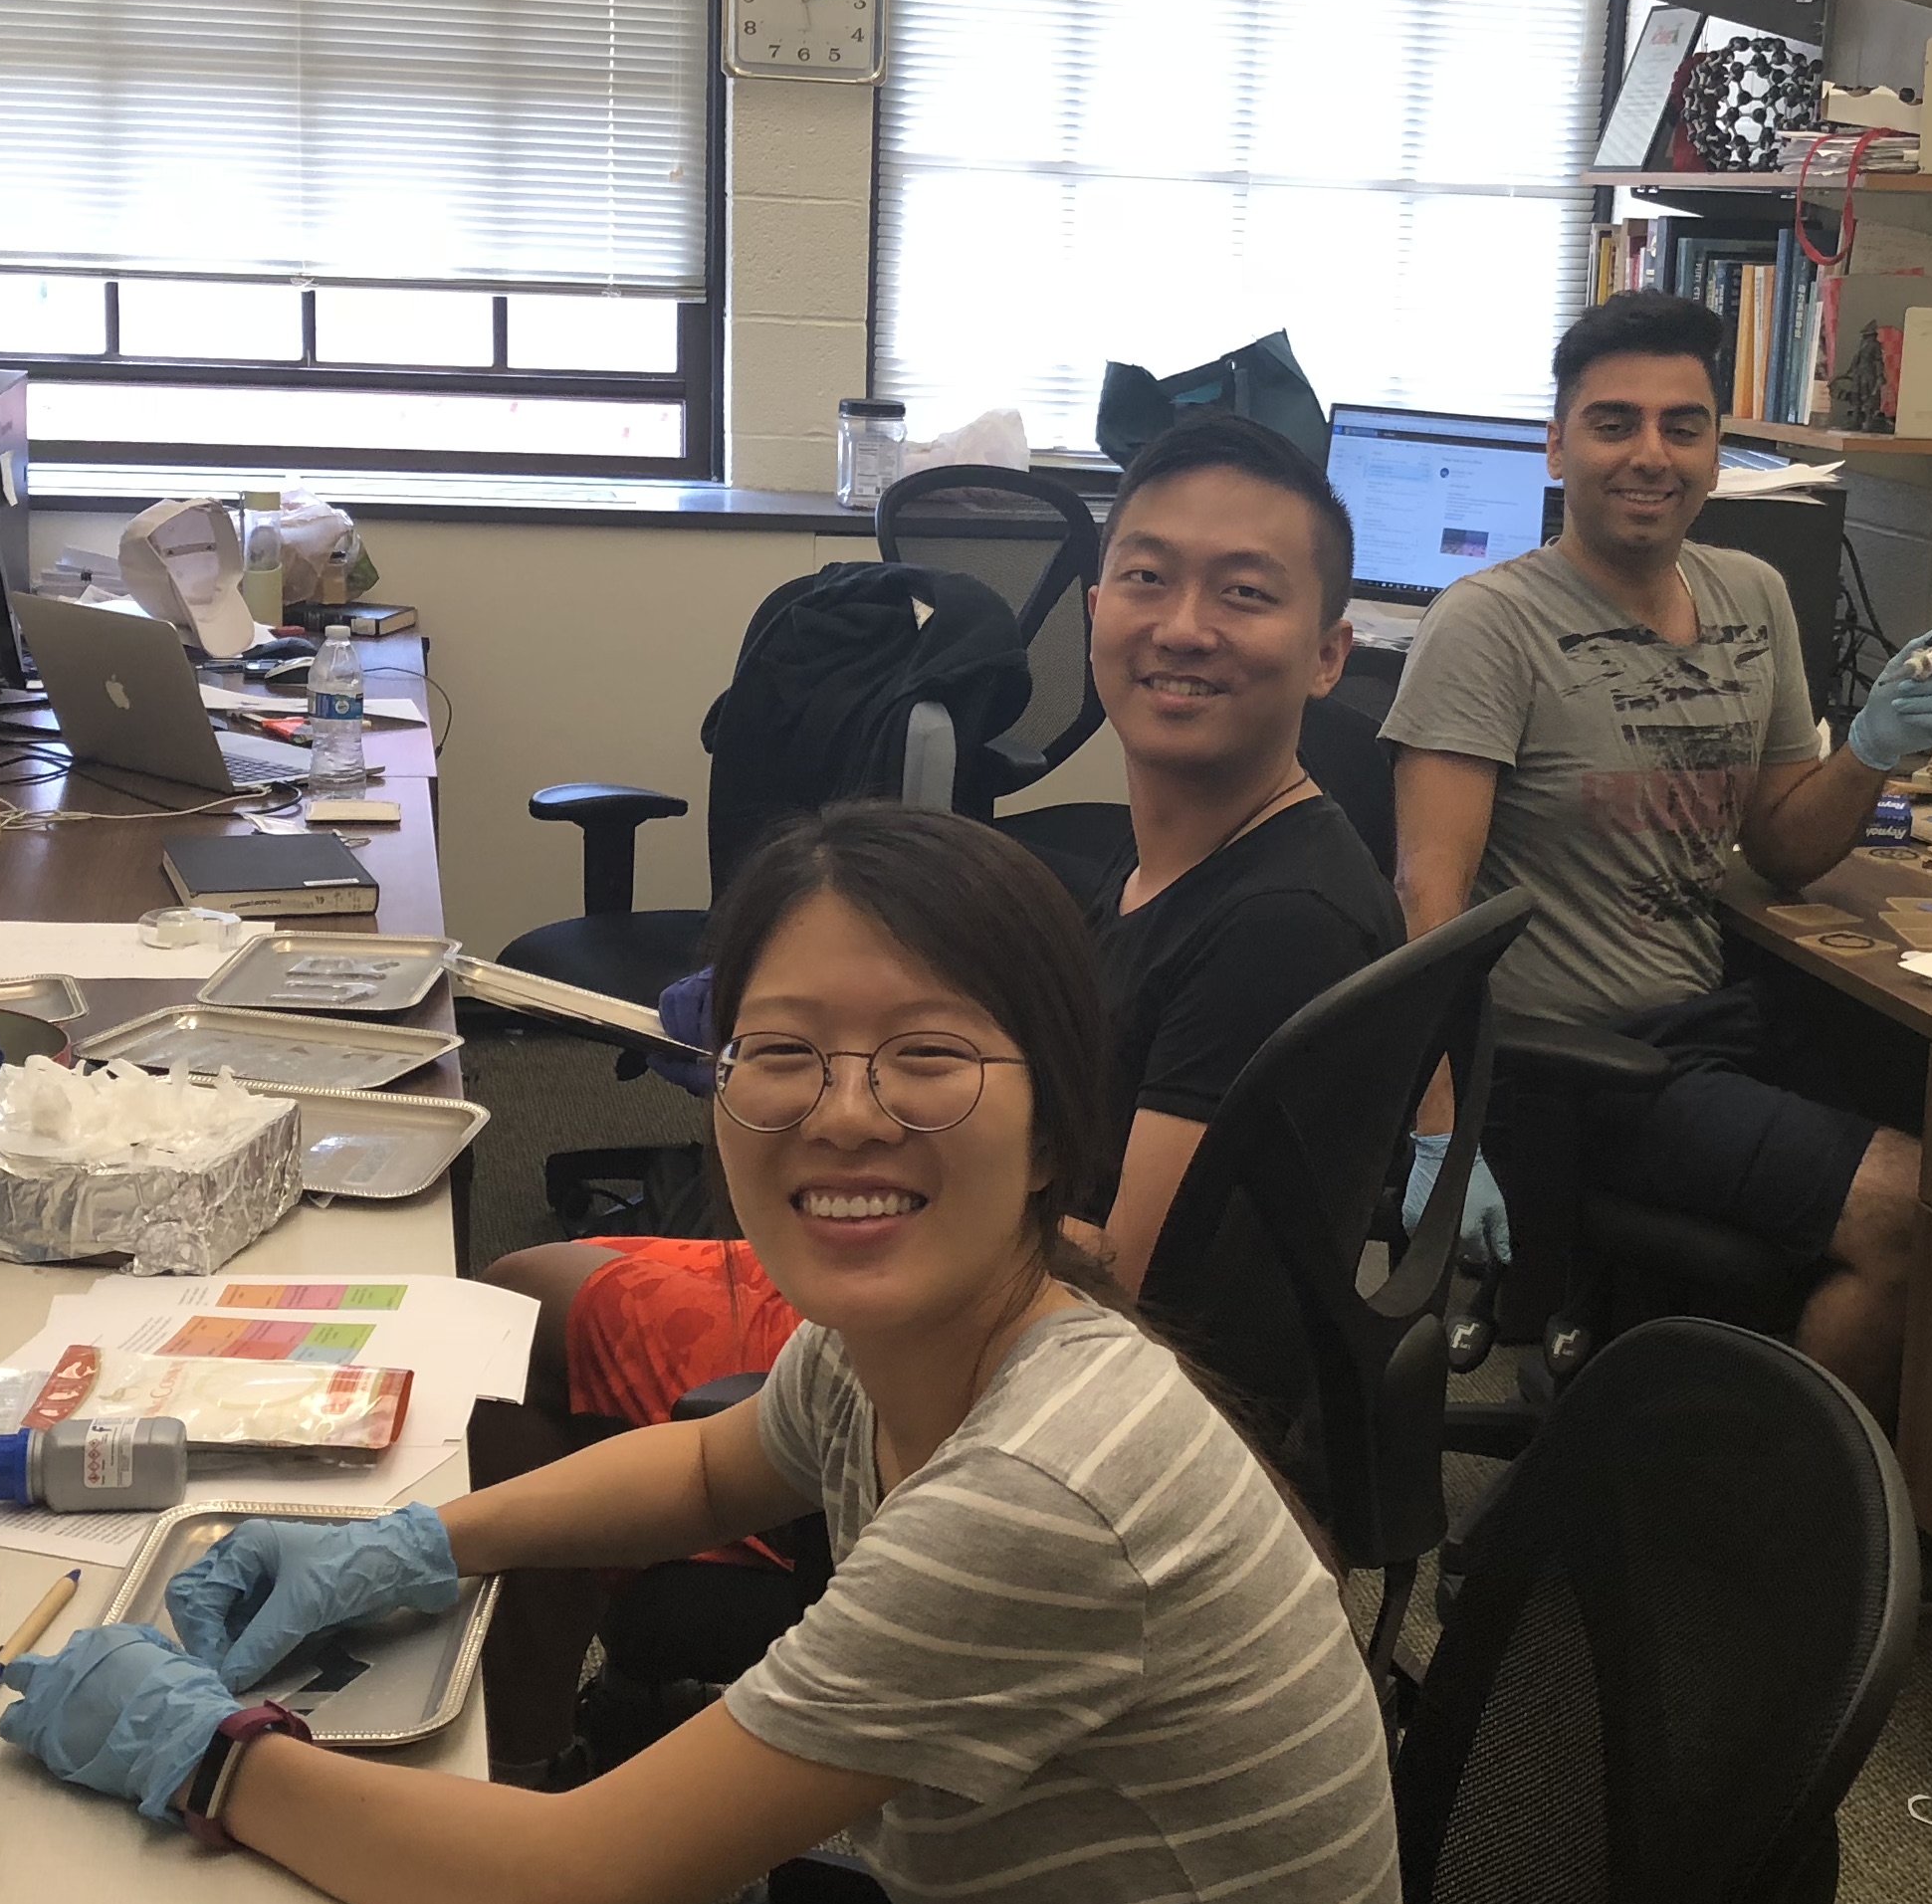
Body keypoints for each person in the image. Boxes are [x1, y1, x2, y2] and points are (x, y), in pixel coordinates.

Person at [0, 803, 1411, 1904]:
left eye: (928, 1057)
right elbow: (707, 1459)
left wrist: (208, 1753)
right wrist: (405, 1540)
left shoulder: (1044, 1485)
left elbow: (570, 1888)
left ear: (1053, 1123)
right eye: (785, 1050)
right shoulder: (928, 1331)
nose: (847, 1111)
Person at [482, 414, 1401, 1744]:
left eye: (1244, 593)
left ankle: (520, 1742)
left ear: (1328, 653)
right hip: (994, 1286)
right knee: (525, 1289)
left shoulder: (1276, 924)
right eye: (1148, 579)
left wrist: (853, 1159)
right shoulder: (1161, 869)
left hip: (1030, 1366)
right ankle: (554, 1701)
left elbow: (1130, 1277)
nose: (1185, 625)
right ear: (1094, 615)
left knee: (518, 1335)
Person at [1381, 286, 1932, 1431]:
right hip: (1570, 1072)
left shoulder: (1751, 597)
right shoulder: (1487, 626)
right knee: (1915, 1208)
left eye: (1682, 426)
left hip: (1707, 1030)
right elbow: (1427, 900)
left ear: (1715, 451)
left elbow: (1784, 846)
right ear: (1557, 446)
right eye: (1614, 424)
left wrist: (1872, 753)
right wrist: (1440, 1137)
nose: (1650, 455)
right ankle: (1744, 1512)